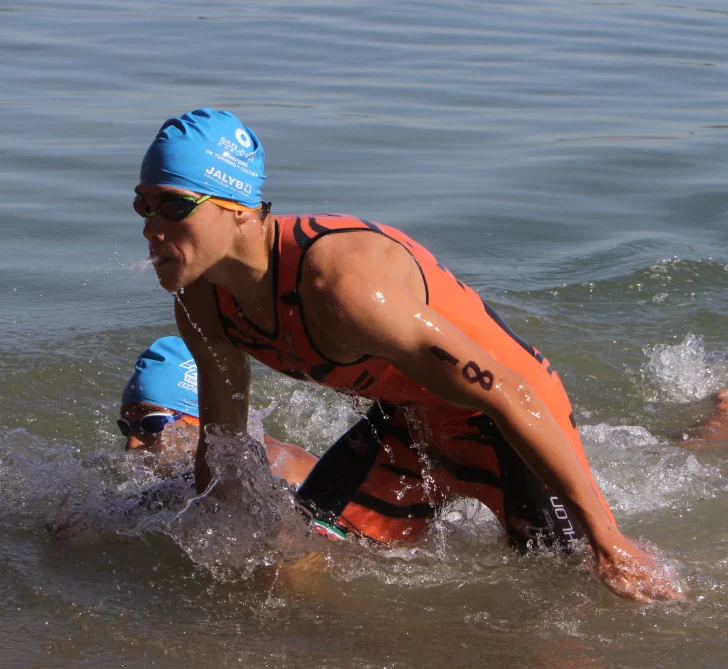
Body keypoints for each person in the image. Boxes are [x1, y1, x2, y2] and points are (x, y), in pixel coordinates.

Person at [134, 108, 684, 602]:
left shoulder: (343, 285)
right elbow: (223, 440)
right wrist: (208, 536)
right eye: (144, 206)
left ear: (239, 208)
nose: (151, 228)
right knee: (290, 572)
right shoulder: (202, 300)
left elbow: (509, 391)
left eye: (175, 206)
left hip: (508, 421)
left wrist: (608, 537)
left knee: (589, 595)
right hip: (410, 423)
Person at [120, 335, 318, 487]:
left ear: (200, 419)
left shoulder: (272, 465)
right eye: (127, 428)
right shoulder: (187, 478)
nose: (132, 444)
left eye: (151, 424)